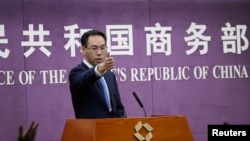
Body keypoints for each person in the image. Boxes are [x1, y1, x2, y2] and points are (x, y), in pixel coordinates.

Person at [69, 29, 126, 119]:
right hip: (90, 130)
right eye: (94, 48)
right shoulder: (76, 73)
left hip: (113, 129)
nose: (99, 53)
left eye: (103, 48)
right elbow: (83, 80)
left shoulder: (110, 75)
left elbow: (118, 106)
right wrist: (99, 69)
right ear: (83, 50)